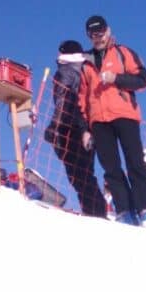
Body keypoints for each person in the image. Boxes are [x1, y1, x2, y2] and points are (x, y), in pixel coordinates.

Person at [78, 15, 146, 227]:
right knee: (111, 168)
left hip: (124, 115)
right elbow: (82, 99)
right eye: (93, 34)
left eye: (101, 32)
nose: (98, 37)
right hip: (99, 121)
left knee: (135, 162)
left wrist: (116, 79)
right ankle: (124, 212)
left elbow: (144, 80)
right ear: (89, 36)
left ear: (108, 31)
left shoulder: (123, 52)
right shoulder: (86, 64)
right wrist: (85, 129)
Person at [44, 40, 106, 217]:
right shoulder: (89, 70)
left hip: (70, 126)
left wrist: (54, 126)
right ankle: (97, 211)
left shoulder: (65, 72)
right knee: (87, 173)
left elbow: (64, 101)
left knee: (76, 174)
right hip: (91, 126)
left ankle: (93, 212)